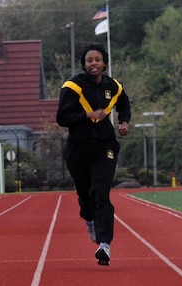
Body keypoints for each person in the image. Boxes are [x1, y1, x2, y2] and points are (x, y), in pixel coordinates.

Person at [56, 43, 131, 266]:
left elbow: (124, 104)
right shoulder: (72, 86)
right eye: (89, 60)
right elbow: (62, 117)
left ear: (104, 62)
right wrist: (86, 115)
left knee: (101, 192)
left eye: (97, 59)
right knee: (86, 194)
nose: (94, 63)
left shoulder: (114, 86)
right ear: (84, 63)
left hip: (104, 146)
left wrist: (124, 121)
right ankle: (89, 218)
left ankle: (105, 244)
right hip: (78, 147)